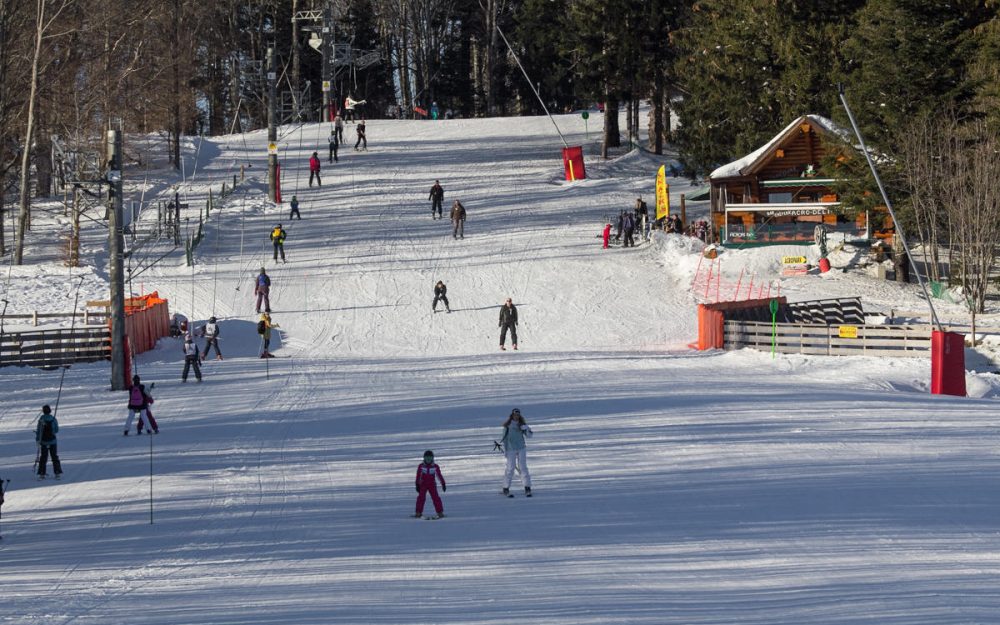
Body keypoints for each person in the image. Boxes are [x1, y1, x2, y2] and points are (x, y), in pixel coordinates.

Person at [499, 408, 533, 497]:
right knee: (510, 468)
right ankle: (505, 488)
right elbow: (504, 439)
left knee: (523, 467)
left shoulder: (521, 425)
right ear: (512, 415)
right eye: (515, 415)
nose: (516, 416)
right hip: (511, 449)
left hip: (521, 448)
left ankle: (527, 487)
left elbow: (530, 436)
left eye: (518, 415)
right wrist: (506, 450)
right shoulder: (507, 426)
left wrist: (527, 428)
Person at [414, 450, 446, 518]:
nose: (428, 460)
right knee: (421, 498)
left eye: (430, 458)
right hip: (423, 484)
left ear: (432, 458)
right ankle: (418, 512)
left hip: (432, 484)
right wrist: (417, 484)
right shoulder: (421, 466)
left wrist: (443, 483)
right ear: (424, 458)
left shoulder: (435, 466)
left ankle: (440, 512)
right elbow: (418, 475)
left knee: (436, 498)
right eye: (427, 458)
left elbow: (439, 475)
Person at [35, 405, 62, 480]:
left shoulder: (41, 419)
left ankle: (42, 474)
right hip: (53, 441)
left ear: (43, 411)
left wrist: (37, 440)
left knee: (43, 458)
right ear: (50, 411)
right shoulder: (53, 419)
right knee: (54, 457)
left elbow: (39, 431)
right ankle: (57, 473)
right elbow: (56, 430)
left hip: (44, 442)